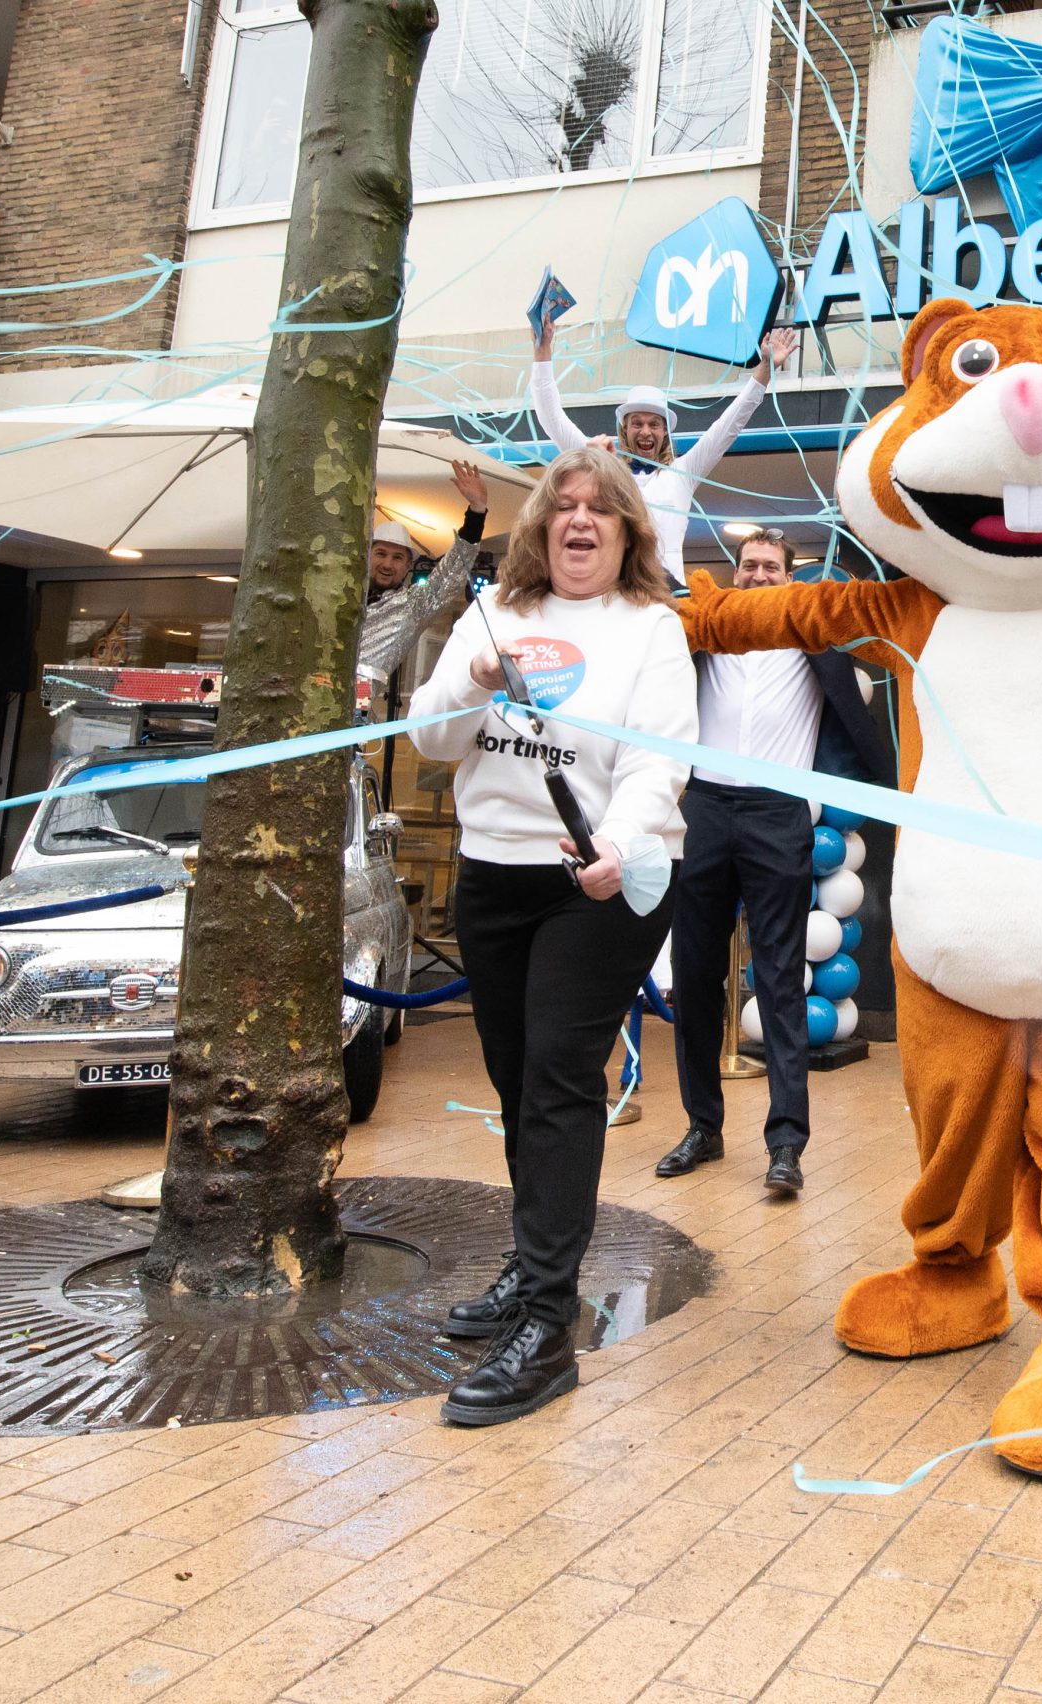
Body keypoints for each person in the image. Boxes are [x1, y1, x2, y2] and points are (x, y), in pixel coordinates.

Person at [408, 445, 697, 1426]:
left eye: (600, 511)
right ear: (538, 526)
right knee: (514, 1082)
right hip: (492, 878)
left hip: (599, 883)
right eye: (563, 507)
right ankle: (533, 1266)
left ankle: (544, 1326)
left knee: (558, 1081)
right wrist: (473, 681)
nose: (579, 522)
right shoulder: (495, 614)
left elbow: (661, 763)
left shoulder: (653, 629)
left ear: (626, 533)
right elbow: (428, 740)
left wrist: (617, 841)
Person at [659, 529, 896, 1199]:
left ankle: (786, 1144)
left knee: (782, 980)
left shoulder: (815, 638)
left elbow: (876, 661)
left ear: (789, 578)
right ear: (735, 574)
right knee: (695, 976)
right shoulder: (704, 634)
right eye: (750, 565)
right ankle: (703, 1126)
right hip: (701, 810)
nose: (759, 575)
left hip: (777, 814)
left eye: (771, 567)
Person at [530, 316, 797, 588]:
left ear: (665, 432)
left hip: (668, 595)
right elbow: (551, 418)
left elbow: (729, 424)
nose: (645, 431)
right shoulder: (602, 469)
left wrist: (764, 370)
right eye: (637, 423)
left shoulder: (683, 472)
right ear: (624, 430)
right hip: (615, 590)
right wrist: (543, 351)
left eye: (654, 424)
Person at [355, 459, 494, 702]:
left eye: (397, 557)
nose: (388, 564)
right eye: (381, 554)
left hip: (355, 705)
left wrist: (477, 511)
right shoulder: (338, 591)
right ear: (366, 556)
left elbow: (453, 570)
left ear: (408, 566)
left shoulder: (413, 605)